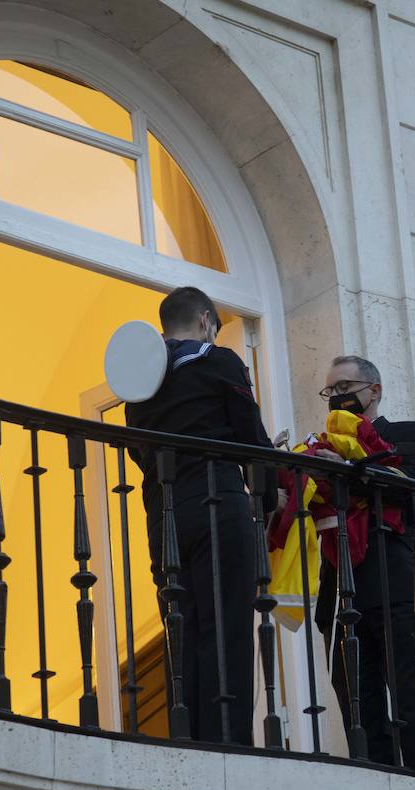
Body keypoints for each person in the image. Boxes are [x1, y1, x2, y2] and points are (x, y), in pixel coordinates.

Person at [125, 286, 272, 745]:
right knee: (226, 622)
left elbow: (139, 449)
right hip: (218, 503)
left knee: (180, 628)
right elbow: (250, 435)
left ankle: (185, 739)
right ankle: (229, 740)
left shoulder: (139, 382)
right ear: (207, 320)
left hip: (164, 515)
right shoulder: (218, 360)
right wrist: (270, 493)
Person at [311, 355, 415, 769]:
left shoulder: (407, 433)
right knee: (355, 693)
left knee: (410, 685)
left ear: (374, 391)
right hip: (340, 581)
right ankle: (378, 774)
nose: (338, 398)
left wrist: (350, 471)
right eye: (331, 391)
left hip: (393, 575)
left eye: (346, 388)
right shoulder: (321, 443)